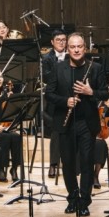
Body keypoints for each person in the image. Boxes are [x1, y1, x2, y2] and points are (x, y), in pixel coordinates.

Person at [45, 32, 108, 217]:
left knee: (87, 162)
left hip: (87, 123)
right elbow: (49, 94)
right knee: (68, 164)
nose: (76, 49)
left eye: (79, 46)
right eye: (72, 47)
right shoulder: (58, 68)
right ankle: (72, 198)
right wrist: (66, 101)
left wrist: (91, 91)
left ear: (85, 48)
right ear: (67, 48)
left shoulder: (95, 68)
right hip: (65, 123)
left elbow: (105, 93)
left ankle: (84, 200)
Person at [41, 29, 67, 178]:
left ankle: (72, 163)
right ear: (52, 42)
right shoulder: (47, 59)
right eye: (58, 40)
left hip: (70, 99)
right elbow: (47, 78)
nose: (61, 42)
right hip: (55, 101)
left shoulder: (72, 55)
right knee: (57, 131)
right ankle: (53, 164)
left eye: (64, 40)